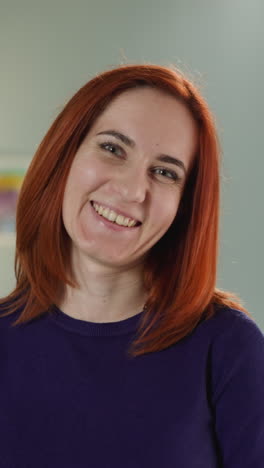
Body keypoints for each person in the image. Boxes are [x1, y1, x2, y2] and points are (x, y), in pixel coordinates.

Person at [0, 64, 263, 467]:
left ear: (184, 207)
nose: (131, 190)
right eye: (112, 148)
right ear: (64, 154)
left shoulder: (228, 348)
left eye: (164, 172)